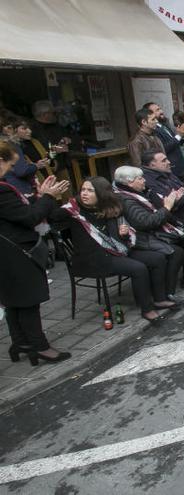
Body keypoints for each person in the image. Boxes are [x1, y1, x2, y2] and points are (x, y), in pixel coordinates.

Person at [53, 177, 176, 322]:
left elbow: (120, 240)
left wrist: (123, 234)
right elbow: (52, 217)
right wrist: (49, 196)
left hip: (116, 250)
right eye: (83, 190)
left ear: (102, 194)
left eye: (90, 190)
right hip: (94, 258)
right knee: (139, 268)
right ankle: (147, 309)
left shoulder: (110, 209)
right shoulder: (73, 211)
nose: (84, 194)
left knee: (157, 258)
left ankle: (159, 299)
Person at [0, 141, 71, 365]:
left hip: (6, 252)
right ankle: (39, 347)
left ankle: (21, 342)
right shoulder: (1, 189)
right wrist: (49, 197)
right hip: (16, 252)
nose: (11, 170)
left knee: (13, 300)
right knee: (29, 300)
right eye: (10, 164)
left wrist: (37, 197)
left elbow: (14, 211)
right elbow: (29, 218)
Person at [114, 166, 184, 299]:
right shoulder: (126, 200)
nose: (144, 181)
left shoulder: (139, 193)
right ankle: (165, 293)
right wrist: (167, 207)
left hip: (150, 233)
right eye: (140, 178)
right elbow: (146, 223)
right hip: (139, 240)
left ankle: (171, 289)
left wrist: (172, 202)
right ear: (129, 183)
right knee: (176, 252)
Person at [139, 151, 184, 288]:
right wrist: (177, 198)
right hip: (169, 220)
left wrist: (178, 196)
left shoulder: (167, 173)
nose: (169, 162)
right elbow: (167, 203)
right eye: (164, 160)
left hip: (181, 212)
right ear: (152, 164)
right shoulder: (148, 181)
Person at [144, 102, 184, 180]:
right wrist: (179, 136)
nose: (161, 111)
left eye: (160, 108)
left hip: (179, 168)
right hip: (170, 169)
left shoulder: (163, 125)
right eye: (157, 110)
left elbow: (175, 143)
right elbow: (163, 148)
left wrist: (182, 136)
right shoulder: (154, 130)